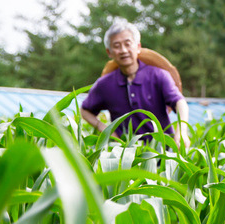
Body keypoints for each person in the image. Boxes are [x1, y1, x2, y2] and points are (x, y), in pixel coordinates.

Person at [80, 18, 190, 148]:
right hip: (126, 156)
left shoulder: (158, 75)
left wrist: (181, 131)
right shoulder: (104, 84)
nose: (123, 50)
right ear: (109, 52)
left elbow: (179, 102)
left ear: (138, 47)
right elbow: (85, 110)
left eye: (128, 44)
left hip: (164, 153)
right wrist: (106, 130)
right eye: (116, 46)